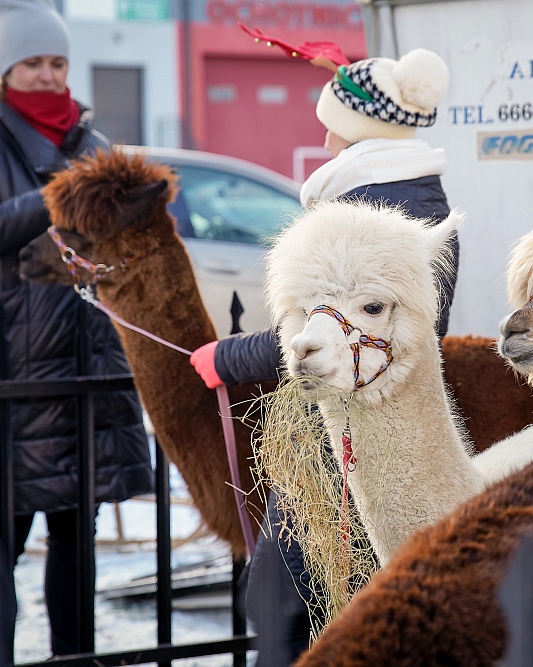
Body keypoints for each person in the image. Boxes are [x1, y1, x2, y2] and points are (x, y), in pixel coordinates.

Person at [190, 47, 457, 659]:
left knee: (287, 596)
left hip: (359, 427)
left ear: (361, 129)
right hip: (343, 421)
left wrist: (229, 359)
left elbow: (353, 334)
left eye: (333, 124)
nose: (326, 138)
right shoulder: (388, 194)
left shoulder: (387, 207)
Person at [0, 1, 153, 664]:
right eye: (32, 62)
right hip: (12, 373)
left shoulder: (92, 144)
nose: (47, 74)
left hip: (85, 363)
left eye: (57, 61)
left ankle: (73, 658)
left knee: (76, 535)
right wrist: (55, 196)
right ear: (6, 68)